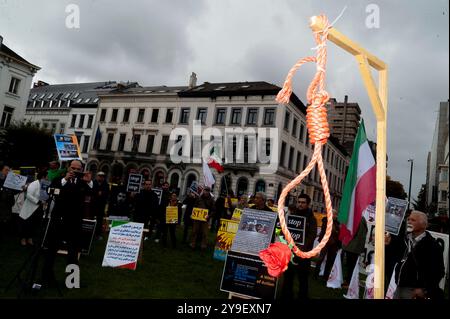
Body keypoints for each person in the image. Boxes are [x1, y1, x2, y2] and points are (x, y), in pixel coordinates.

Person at [42, 160, 94, 286]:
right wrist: (65, 180)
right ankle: (47, 278)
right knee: (52, 250)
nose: (75, 170)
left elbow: (92, 194)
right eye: (73, 168)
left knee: (73, 251)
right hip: (58, 220)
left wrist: (90, 182)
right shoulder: (59, 180)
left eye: (78, 169)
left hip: (74, 222)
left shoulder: (82, 183)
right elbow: (50, 190)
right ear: (68, 167)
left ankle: (72, 281)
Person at [386, 210, 445, 299]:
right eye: (408, 219)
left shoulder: (432, 245)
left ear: (423, 225)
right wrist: (387, 245)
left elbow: (439, 271)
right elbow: (393, 258)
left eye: (413, 220)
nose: (409, 222)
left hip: (415, 291)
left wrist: (424, 289)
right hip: (398, 286)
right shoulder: (403, 239)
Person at [281, 194, 317, 300]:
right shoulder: (292, 215)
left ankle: (302, 296)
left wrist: (301, 248)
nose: (300, 204)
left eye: (303, 202)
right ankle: (286, 296)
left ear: (308, 204)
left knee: (303, 279)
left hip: (303, 254)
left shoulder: (311, 218)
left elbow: (312, 235)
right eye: (299, 202)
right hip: (290, 252)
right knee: (288, 277)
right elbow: (286, 231)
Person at [18, 171, 47, 246]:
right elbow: (28, 195)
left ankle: (30, 238)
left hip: (39, 208)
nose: (48, 178)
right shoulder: (34, 183)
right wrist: (38, 201)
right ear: (43, 177)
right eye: (47, 177)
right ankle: (23, 239)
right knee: (27, 223)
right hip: (31, 207)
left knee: (35, 224)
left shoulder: (44, 185)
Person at [315, 209, 341, 280]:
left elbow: (338, 234)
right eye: (334, 214)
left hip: (333, 245)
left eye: (336, 214)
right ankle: (316, 274)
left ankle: (325, 276)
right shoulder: (326, 221)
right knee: (321, 258)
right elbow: (325, 232)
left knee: (330, 261)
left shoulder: (337, 223)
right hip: (325, 243)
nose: (335, 215)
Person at [342, 216, 368, 287]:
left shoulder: (358, 219)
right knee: (351, 266)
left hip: (352, 247)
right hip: (355, 247)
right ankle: (349, 280)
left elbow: (354, 233)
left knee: (350, 266)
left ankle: (348, 281)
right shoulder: (362, 219)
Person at [190, 186, 215, 250]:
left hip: (205, 219)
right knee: (194, 231)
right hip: (197, 218)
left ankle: (203, 245)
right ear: (203, 191)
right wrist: (193, 214)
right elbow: (194, 206)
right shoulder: (199, 198)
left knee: (205, 233)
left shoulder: (212, 200)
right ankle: (193, 243)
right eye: (205, 190)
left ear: (209, 191)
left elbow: (213, 210)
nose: (206, 192)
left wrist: (209, 216)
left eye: (207, 191)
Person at [92, 171, 109, 239]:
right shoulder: (93, 183)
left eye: (102, 176)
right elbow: (92, 192)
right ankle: (90, 232)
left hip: (101, 205)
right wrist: (98, 193)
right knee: (91, 218)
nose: (100, 177)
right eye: (99, 176)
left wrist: (100, 193)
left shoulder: (106, 184)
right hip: (93, 204)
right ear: (97, 176)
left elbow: (106, 194)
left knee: (99, 220)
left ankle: (98, 234)